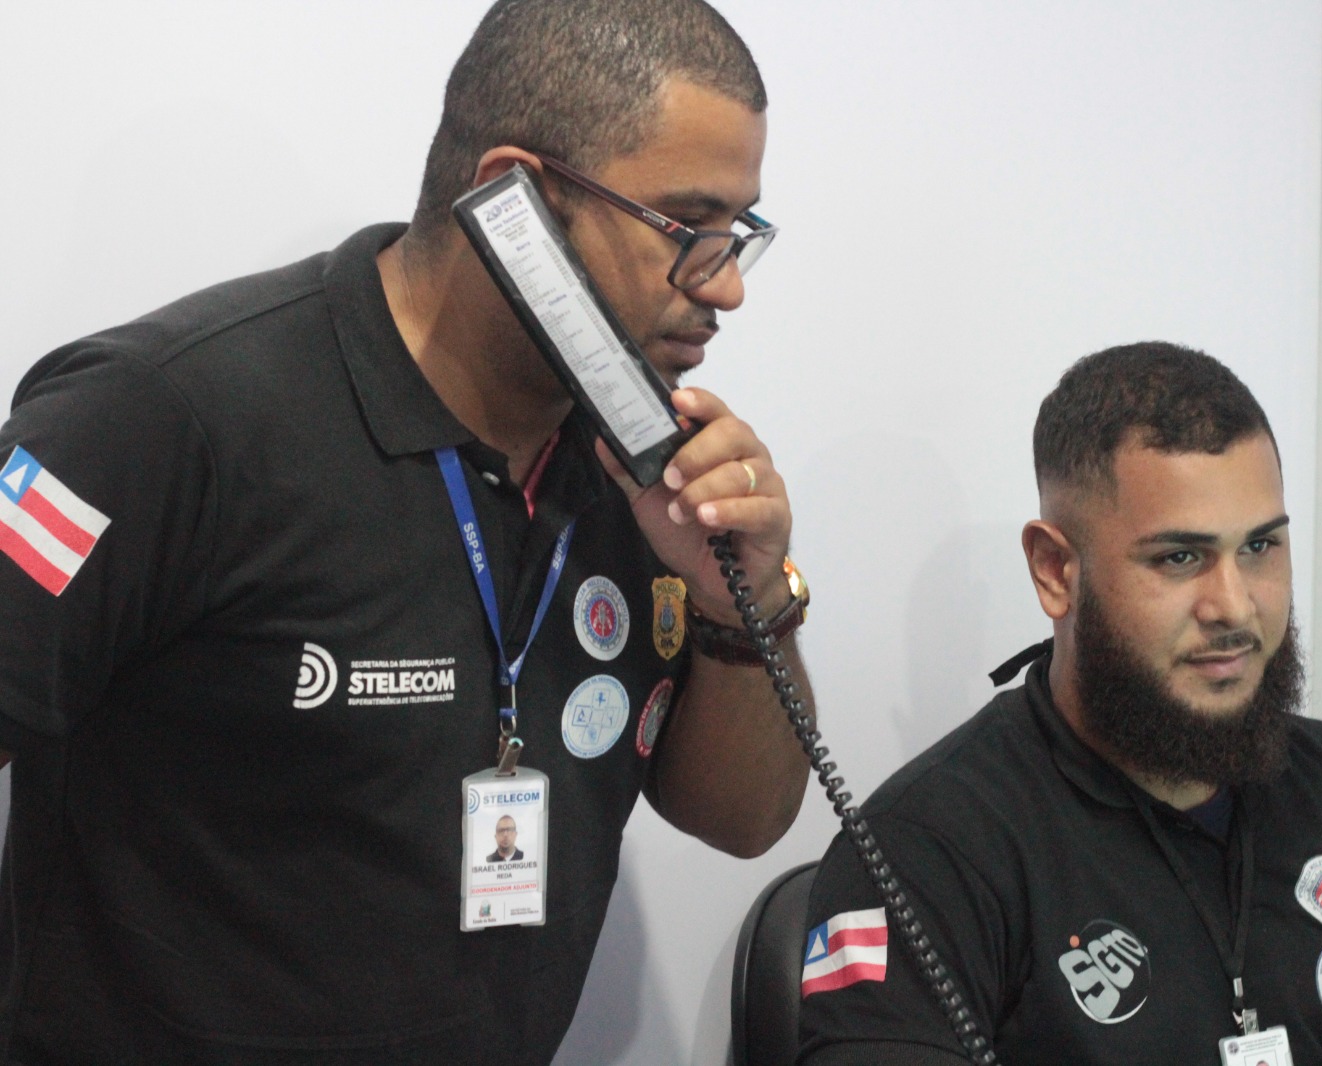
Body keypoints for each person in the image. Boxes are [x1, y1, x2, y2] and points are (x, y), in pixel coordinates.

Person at [0, 0, 811, 1061]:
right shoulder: (159, 417)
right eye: (686, 229)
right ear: (513, 198)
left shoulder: (645, 472)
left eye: (738, 233)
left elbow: (742, 822)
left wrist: (739, 606)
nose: (726, 285)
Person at [798, 343, 1322, 1066]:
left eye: (1259, 547)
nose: (1235, 606)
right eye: (1180, 557)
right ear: (1056, 570)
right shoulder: (927, 852)